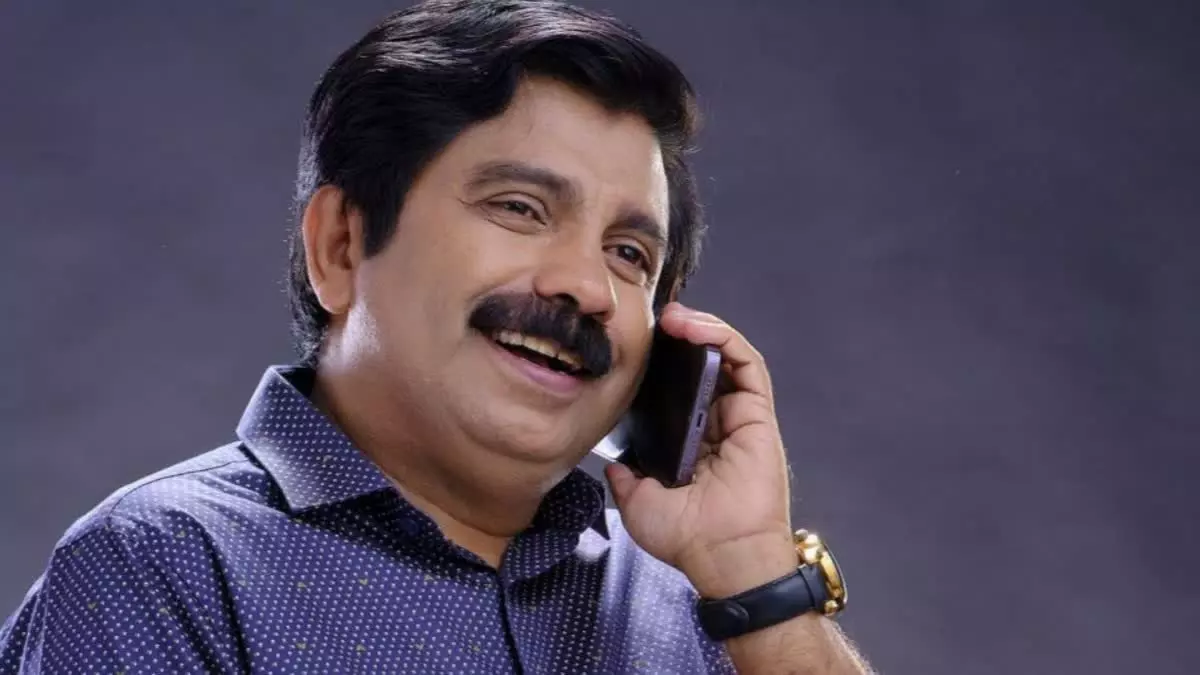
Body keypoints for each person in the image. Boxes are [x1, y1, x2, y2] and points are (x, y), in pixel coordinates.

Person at [0, 1, 872, 672]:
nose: (586, 286)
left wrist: (756, 576)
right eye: (520, 208)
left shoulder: (705, 605)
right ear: (341, 246)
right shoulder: (163, 567)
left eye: (629, 253)